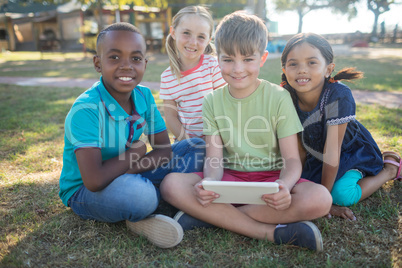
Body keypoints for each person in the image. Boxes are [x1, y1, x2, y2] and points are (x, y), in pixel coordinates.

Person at [160, 11, 332, 251]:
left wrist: (284, 184)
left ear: (262, 59)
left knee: (321, 199)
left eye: (248, 60)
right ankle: (269, 233)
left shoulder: (278, 97)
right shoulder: (211, 101)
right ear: (216, 58)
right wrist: (210, 182)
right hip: (229, 180)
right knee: (171, 185)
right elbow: (214, 158)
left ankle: (211, 218)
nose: (237, 69)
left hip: (271, 181)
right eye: (228, 59)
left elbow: (292, 160)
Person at [58, 22, 205, 249]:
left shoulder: (143, 96)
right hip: (84, 190)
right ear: (98, 63)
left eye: (136, 59)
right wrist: (135, 153)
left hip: (126, 172)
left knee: (195, 146)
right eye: (114, 58)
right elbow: (95, 180)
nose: (126, 66)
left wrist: (132, 164)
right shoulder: (86, 109)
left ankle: (158, 202)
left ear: (145, 64)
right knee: (141, 197)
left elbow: (164, 150)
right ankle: (153, 208)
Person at [280, 32, 402, 221]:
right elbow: (298, 148)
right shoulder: (286, 95)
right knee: (298, 185)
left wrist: (325, 200)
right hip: (316, 156)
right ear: (284, 69)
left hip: (350, 152)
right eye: (293, 64)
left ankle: (389, 170)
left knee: (341, 195)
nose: (301, 70)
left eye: (312, 62)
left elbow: (332, 151)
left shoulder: (338, 95)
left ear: (328, 69)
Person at [160, 6, 226, 141]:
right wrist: (190, 143)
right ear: (173, 32)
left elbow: (225, 106)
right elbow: (171, 117)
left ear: (209, 40)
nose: (193, 42)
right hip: (187, 142)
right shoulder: (167, 77)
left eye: (201, 36)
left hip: (217, 138)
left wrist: (213, 141)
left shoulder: (213, 65)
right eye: (186, 33)